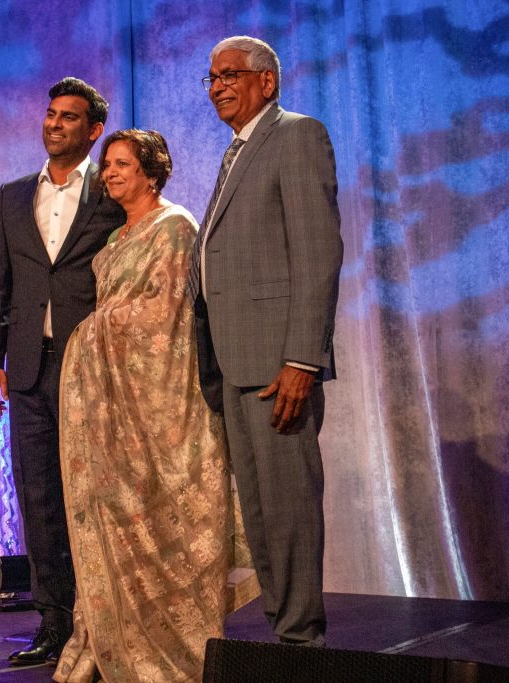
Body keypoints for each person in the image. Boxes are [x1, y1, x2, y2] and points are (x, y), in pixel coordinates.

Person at [54, 129, 235, 682]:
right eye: (106, 164)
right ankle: (106, 637)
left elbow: (167, 316)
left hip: (159, 403)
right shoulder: (112, 241)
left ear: (151, 172)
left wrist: (90, 331)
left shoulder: (174, 228)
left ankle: (174, 653)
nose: (109, 173)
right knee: (107, 514)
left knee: (162, 519)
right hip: (110, 406)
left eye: (122, 164)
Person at [190, 36, 343, 647]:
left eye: (231, 74)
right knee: (259, 516)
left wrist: (302, 358)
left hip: (279, 365)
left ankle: (303, 642)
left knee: (289, 511)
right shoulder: (236, 152)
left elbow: (318, 254)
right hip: (234, 364)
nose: (219, 86)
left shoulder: (297, 135)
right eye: (211, 77)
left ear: (267, 82)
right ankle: (285, 633)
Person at [0, 77, 126, 666]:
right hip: (30, 371)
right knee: (37, 496)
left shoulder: (111, 193)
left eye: (69, 117)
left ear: (92, 131)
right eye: (50, 114)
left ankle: (102, 619)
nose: (55, 123)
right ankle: (54, 622)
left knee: (87, 498)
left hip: (89, 368)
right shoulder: (13, 196)